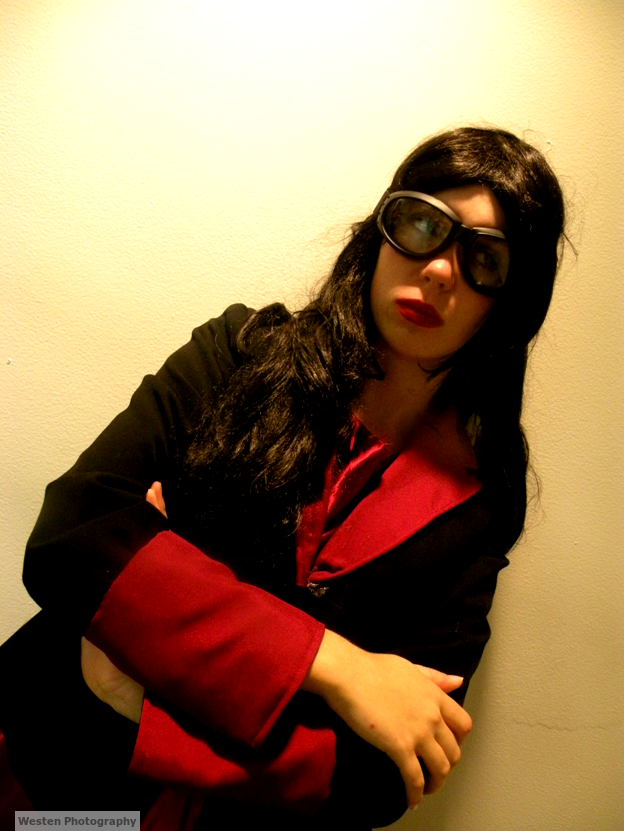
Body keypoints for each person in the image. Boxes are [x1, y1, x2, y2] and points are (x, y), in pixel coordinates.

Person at [0, 126, 566, 830]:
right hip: (48, 772)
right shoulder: (237, 353)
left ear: (511, 301)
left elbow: (387, 777)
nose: (440, 270)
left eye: (485, 258)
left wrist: (140, 683)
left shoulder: (480, 505)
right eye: (421, 223)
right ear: (380, 232)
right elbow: (72, 538)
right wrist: (342, 668)